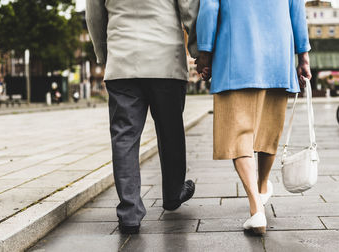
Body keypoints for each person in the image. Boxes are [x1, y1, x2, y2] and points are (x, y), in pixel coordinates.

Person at [196, 0, 312, 235]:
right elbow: (296, 9)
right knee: (270, 129)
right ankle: (262, 187)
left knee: (237, 134)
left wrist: (205, 51)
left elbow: (209, 6)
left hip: (235, 54)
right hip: (278, 55)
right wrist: (303, 57)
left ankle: (256, 207)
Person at [86, 0, 199, 234]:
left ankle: (129, 213)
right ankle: (173, 193)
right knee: (171, 133)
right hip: (165, 60)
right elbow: (190, 8)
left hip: (122, 62)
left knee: (124, 137)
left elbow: (94, 16)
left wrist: (104, 55)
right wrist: (199, 52)